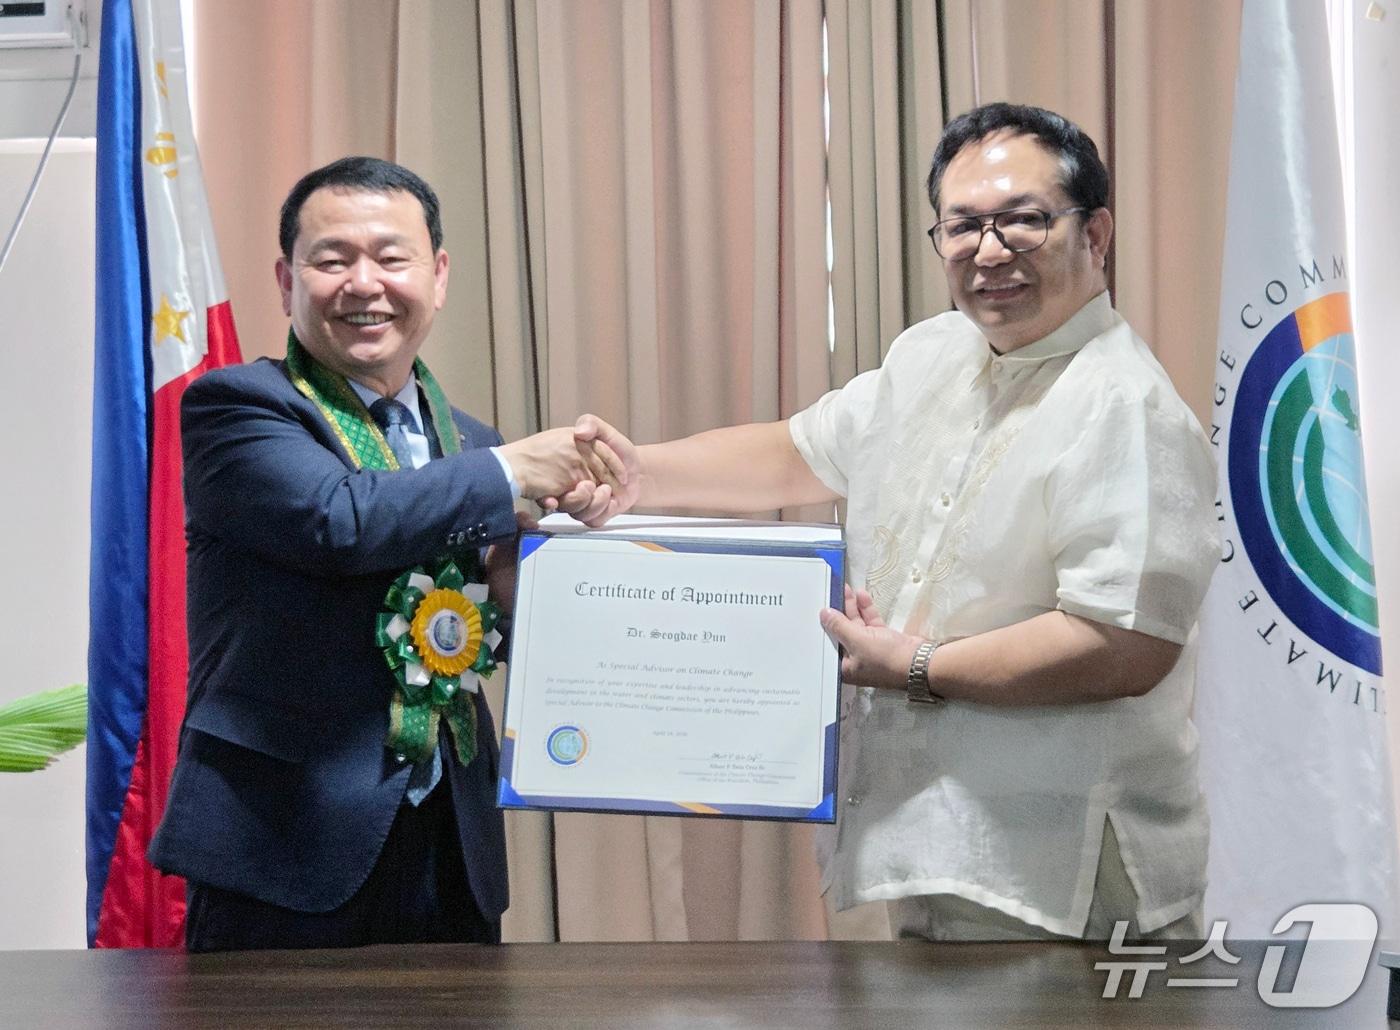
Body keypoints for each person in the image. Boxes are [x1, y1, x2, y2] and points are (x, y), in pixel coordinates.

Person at [605, 103, 1220, 941]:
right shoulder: (931, 354)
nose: (989, 250)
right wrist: (637, 476)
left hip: (1063, 877)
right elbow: (797, 452)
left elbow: (1127, 642)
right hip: (927, 843)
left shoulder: (1127, 405)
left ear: (1095, 232)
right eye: (963, 226)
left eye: (1024, 221)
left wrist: (919, 665)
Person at [149, 156, 630, 951]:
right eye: (332, 259)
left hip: (451, 844)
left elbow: (470, 632)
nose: (363, 283)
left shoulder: (470, 441)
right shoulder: (239, 409)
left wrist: (528, 575)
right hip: (282, 844)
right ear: (286, 280)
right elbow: (341, 521)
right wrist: (514, 475)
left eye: (392, 257)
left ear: (437, 276)